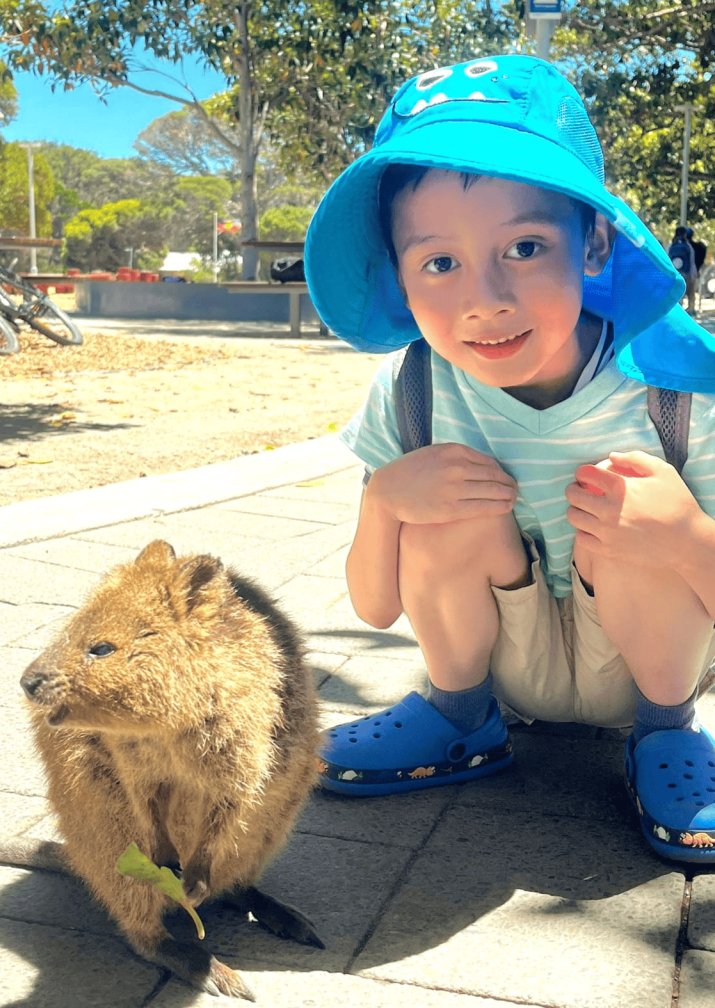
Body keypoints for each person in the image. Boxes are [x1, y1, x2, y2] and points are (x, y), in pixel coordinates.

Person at [305, 54, 715, 864]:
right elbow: (375, 607)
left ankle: (663, 737)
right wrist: (385, 499)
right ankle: (460, 719)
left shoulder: (674, 389)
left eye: (524, 247)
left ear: (593, 241)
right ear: (398, 274)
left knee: (633, 510)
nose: (483, 298)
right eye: (439, 262)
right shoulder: (415, 388)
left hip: (646, 670)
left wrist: (680, 535)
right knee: (441, 500)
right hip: (497, 666)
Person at [668, 226, 697, 314]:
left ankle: (678, 312)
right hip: (687, 274)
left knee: (678, 295)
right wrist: (693, 275)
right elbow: (692, 262)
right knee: (691, 294)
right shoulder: (688, 246)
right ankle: (691, 311)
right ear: (685, 234)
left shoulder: (671, 246)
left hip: (675, 274)